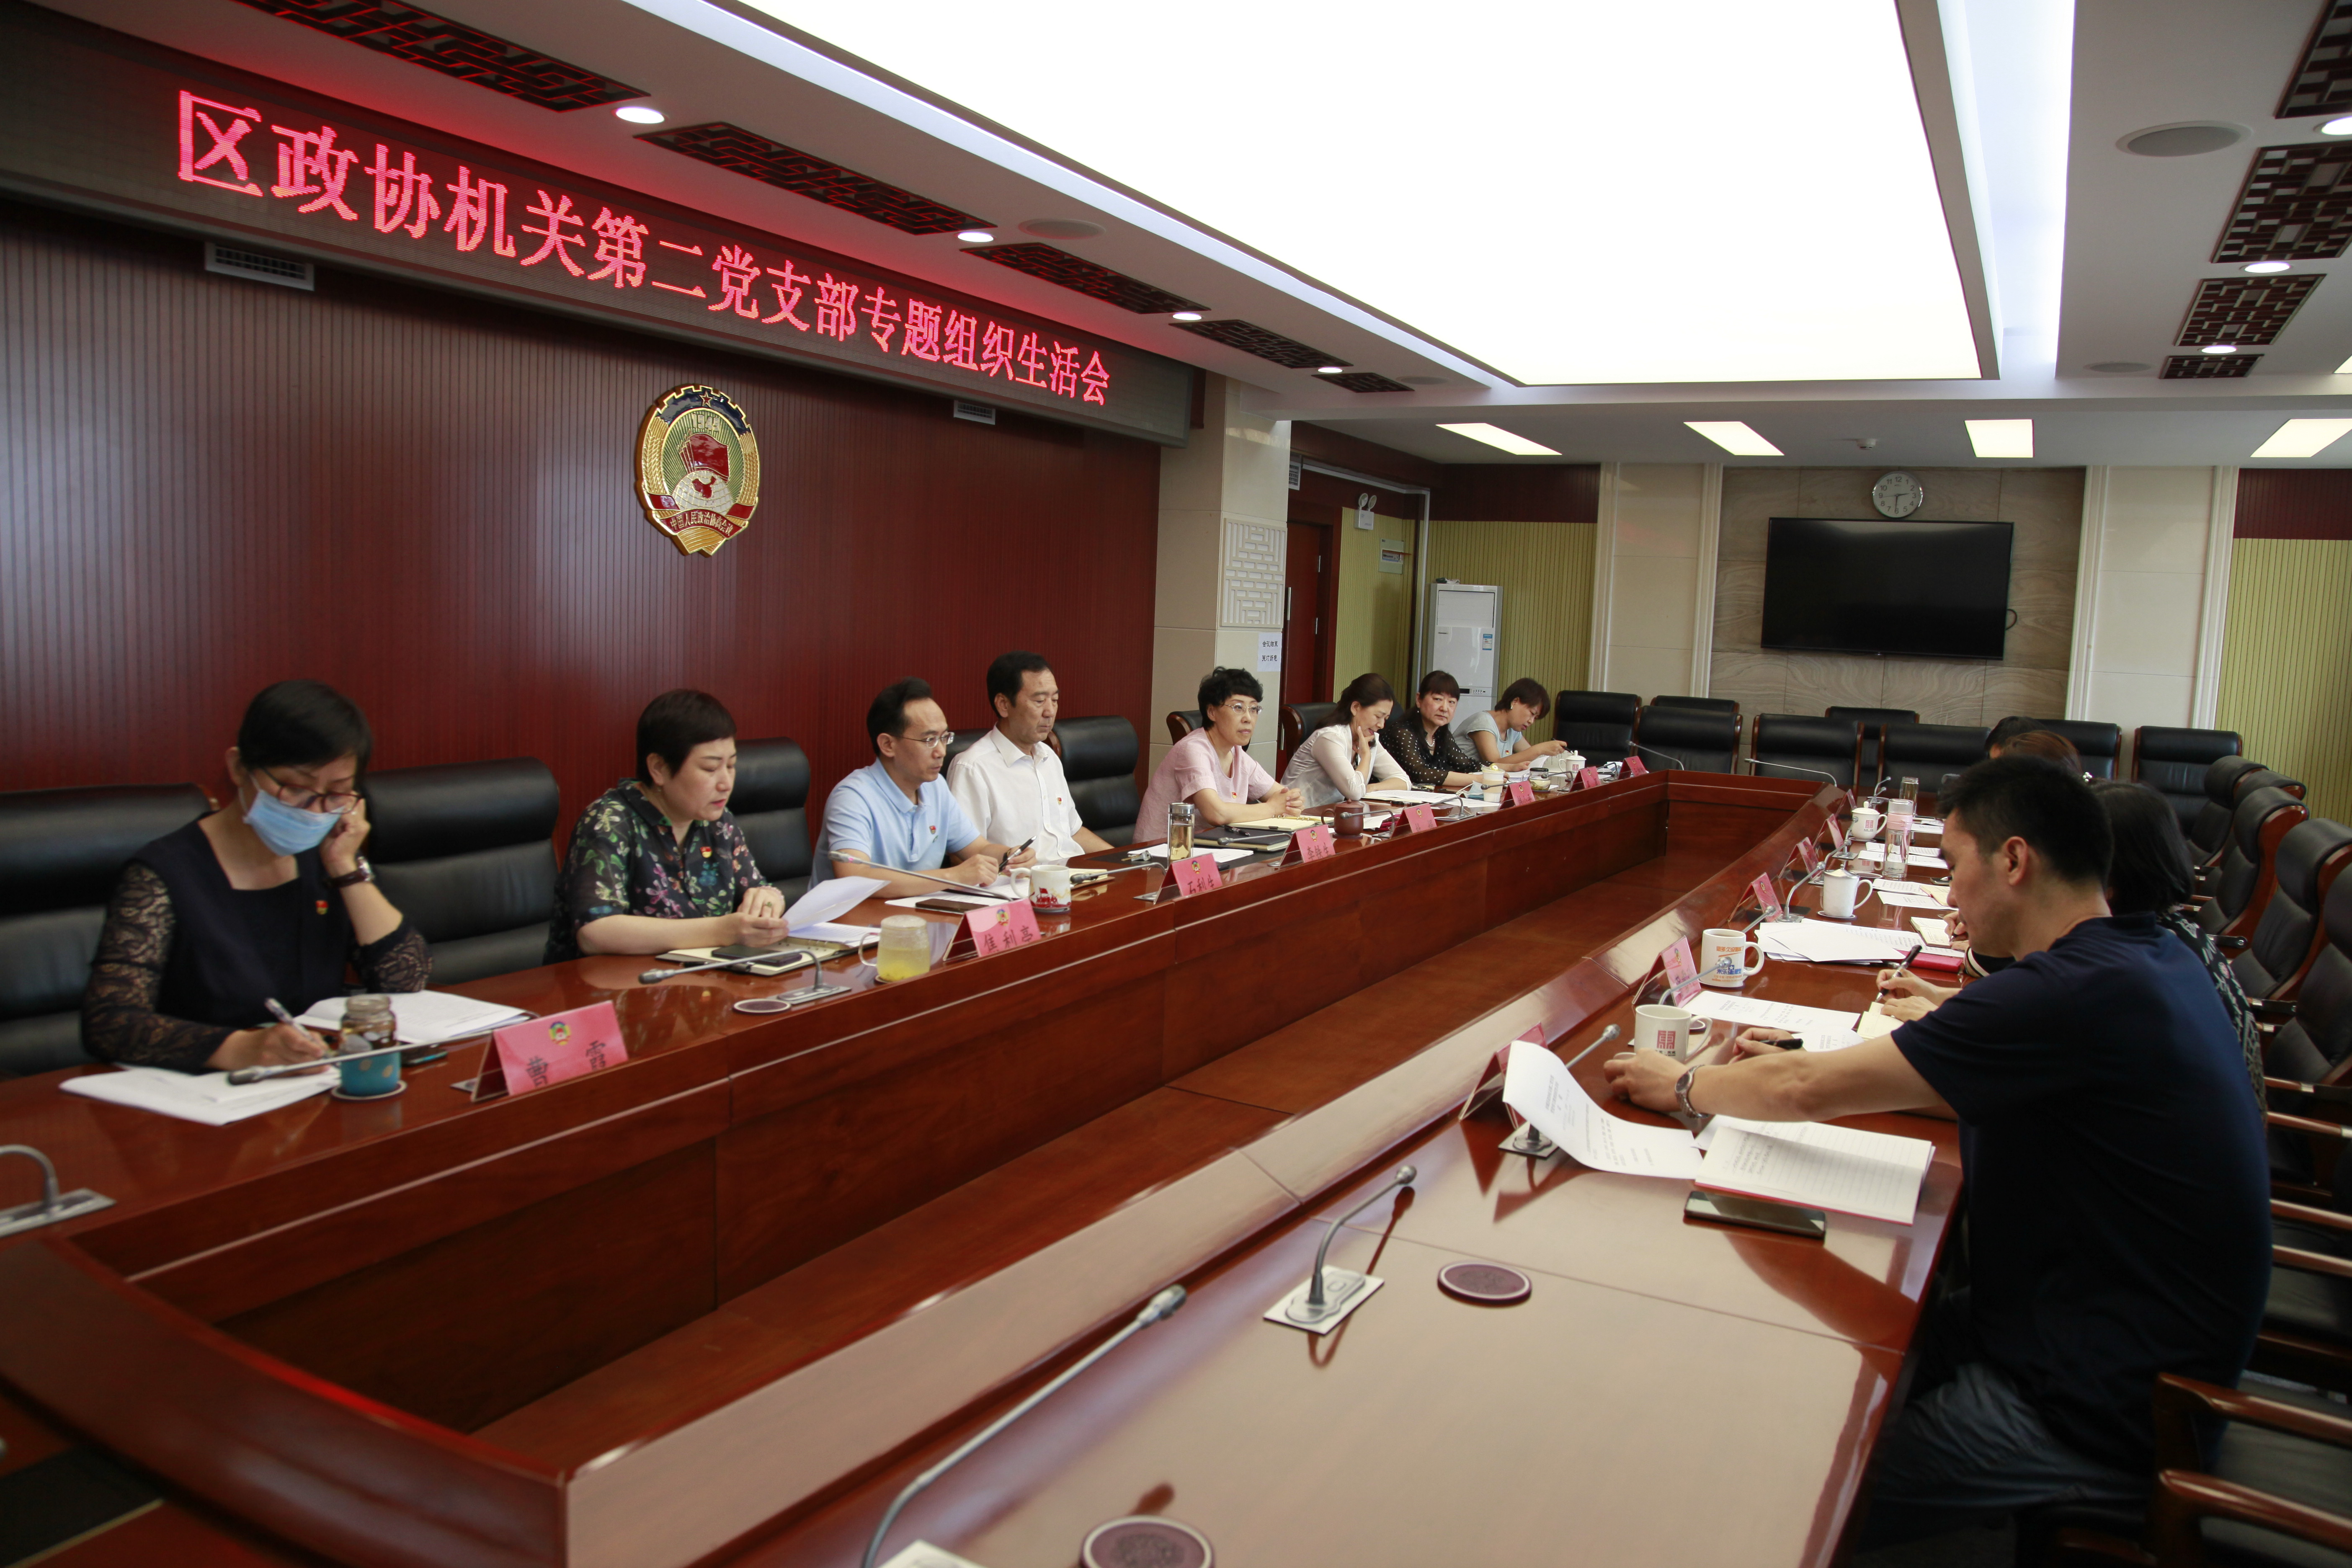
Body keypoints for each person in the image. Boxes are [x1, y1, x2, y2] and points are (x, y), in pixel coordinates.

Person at [1604, 757, 2269, 1547]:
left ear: (2014, 860)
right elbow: (1951, 1085)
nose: (1950, 895)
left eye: (1954, 866)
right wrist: (1818, 1065)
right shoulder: (2147, 956)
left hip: (2095, 1402)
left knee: (1783, 1493)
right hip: (2088, 1325)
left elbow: (1802, 1093)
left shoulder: (2062, 993)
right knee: (1833, 1342)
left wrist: (1684, 1085)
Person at [83, 680, 429, 1073]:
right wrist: (241, 1048)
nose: (314, 810)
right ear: (239, 768)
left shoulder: (326, 857)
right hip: (210, 1091)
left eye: (337, 794)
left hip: (316, 1080)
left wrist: (346, 869)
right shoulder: (162, 874)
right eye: (295, 788)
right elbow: (109, 1023)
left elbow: (406, 978)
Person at [547, 689, 786, 962]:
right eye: (710, 769)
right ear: (659, 768)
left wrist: (768, 900)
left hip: (700, 978)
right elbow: (596, 932)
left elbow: (757, 889)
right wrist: (721, 931)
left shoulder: (718, 823)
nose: (726, 783)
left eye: (731, 766)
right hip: (612, 983)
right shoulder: (610, 822)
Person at [810, 677, 1028, 897]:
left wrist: (1010, 855)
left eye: (944, 738)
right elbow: (854, 876)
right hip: (851, 917)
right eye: (929, 740)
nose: (941, 752)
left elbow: (978, 849)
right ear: (888, 745)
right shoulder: (853, 798)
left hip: (915, 912)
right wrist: (953, 876)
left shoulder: (936, 788)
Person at [946, 651, 1112, 862]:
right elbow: (962, 856)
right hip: (1023, 879)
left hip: (1075, 874)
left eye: (1055, 700)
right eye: (1040, 701)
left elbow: (1073, 832)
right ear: (1004, 705)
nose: (1050, 712)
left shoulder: (1049, 757)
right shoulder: (973, 768)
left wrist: (1123, 858)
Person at [1135, 667, 1304, 834]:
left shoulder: (1237, 753)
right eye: (1238, 707)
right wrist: (1272, 808)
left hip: (1216, 843)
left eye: (1253, 709)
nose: (1248, 718)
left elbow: (1283, 796)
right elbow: (1216, 814)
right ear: (1212, 712)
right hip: (1166, 847)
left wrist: (1292, 803)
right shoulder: (1193, 750)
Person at [1281, 672, 1409, 808]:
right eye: (1378, 716)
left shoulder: (1369, 739)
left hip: (1330, 815)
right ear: (1356, 708)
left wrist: (1371, 788)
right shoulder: (1330, 738)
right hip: (1296, 815)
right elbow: (1354, 792)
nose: (1382, 725)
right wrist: (1366, 756)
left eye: (1386, 719)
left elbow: (1403, 781)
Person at [1383, 670, 1483, 790]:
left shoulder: (1441, 734)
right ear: (1419, 700)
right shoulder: (1402, 732)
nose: (1445, 708)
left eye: (1451, 702)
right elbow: (1421, 774)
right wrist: (1479, 779)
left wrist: (1500, 770)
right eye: (1438, 699)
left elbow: (1467, 765)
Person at [1452, 678, 1568, 771]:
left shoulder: (1513, 730)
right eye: (1532, 713)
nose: (1531, 721)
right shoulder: (1483, 722)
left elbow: (1530, 756)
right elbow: (1494, 764)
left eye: (1536, 718)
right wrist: (1539, 749)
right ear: (1515, 702)